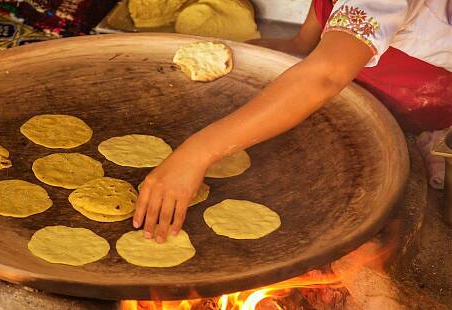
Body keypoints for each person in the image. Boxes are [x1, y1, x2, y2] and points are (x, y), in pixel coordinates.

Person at [134, 0, 452, 243]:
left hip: (416, 113)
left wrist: (195, 154)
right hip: (350, 85)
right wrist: (299, 47)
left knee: (398, 196)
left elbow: (325, 75)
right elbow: (329, 17)